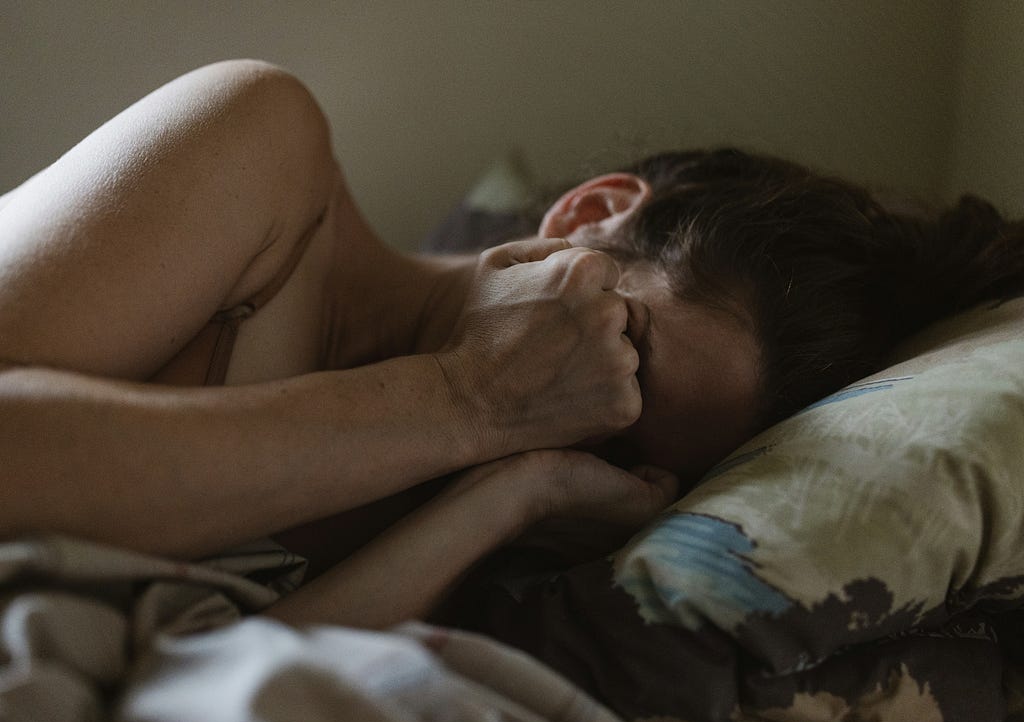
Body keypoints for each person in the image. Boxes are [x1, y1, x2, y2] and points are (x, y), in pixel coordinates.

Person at [1, 60, 1020, 630]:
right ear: (589, 213)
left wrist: (514, 490)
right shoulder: (258, 151)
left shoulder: (502, 510)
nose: (591, 416)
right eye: (625, 346)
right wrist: (460, 399)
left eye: (627, 450)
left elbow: (219, 679)